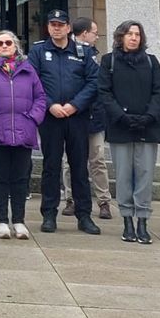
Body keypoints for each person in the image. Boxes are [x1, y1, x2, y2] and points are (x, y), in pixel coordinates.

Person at [30, 9, 101, 234]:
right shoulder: (38, 51)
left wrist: (75, 105)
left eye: (61, 24)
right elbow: (33, 80)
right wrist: (51, 104)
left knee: (79, 167)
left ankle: (84, 216)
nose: (57, 27)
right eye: (53, 24)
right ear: (48, 27)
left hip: (77, 118)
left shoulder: (84, 52)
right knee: (51, 167)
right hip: (50, 118)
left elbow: (94, 82)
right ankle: (49, 214)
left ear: (69, 28)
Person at [97, 20, 160, 244]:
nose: (134, 37)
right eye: (129, 34)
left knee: (145, 174)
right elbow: (104, 93)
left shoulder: (151, 61)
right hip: (121, 126)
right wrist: (122, 116)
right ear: (120, 37)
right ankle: (127, 220)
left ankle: (143, 220)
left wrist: (149, 115)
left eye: (137, 34)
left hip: (148, 126)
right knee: (124, 175)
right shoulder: (109, 61)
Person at [0, 28, 45, 239]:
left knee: (20, 179)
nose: (4, 46)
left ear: (16, 46)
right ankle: (1, 220)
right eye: (0, 43)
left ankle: (19, 220)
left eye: (8, 43)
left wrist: (32, 119)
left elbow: (41, 98)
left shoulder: (28, 69)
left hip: (23, 133)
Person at [61, 17, 111, 221]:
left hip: (94, 116)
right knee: (69, 161)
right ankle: (70, 198)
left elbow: (98, 86)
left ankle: (104, 201)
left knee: (97, 158)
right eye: (94, 33)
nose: (97, 36)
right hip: (71, 114)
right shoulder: (67, 53)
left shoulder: (95, 56)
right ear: (84, 34)